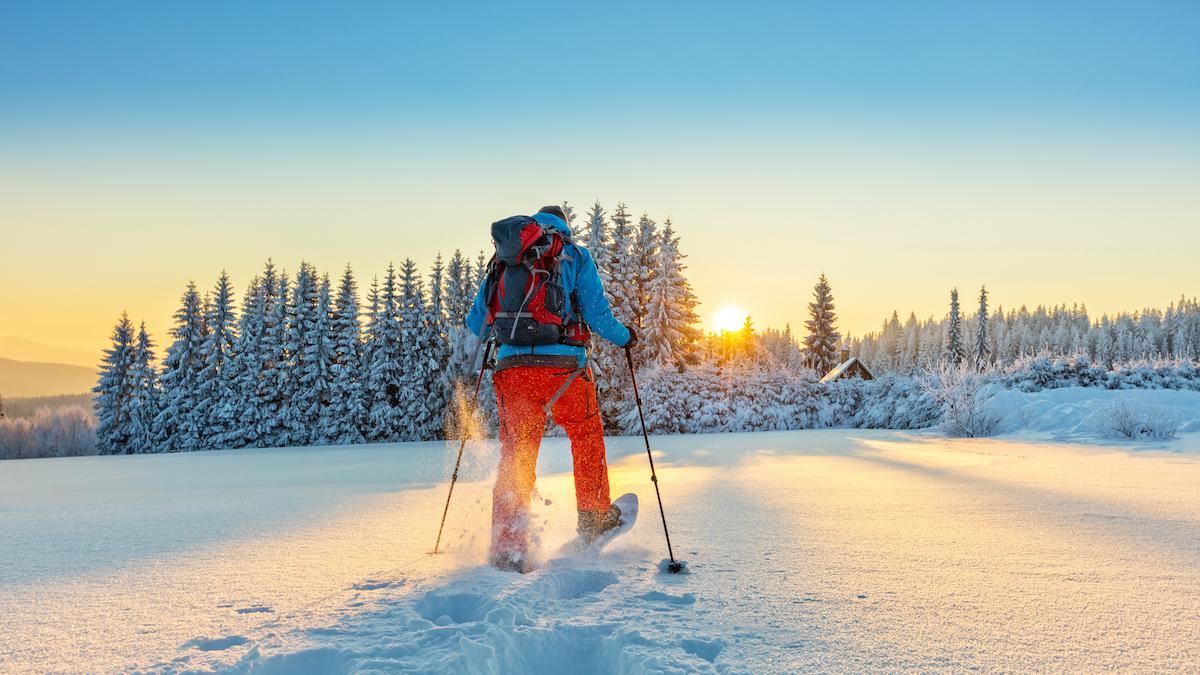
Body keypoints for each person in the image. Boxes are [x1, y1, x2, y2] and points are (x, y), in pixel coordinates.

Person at [466, 204, 635, 572]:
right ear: (565, 226)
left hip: (512, 372)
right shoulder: (573, 254)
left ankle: (508, 547)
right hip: (564, 370)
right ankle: (593, 517)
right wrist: (626, 338)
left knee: (517, 453)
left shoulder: (505, 260)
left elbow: (476, 321)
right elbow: (597, 315)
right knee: (585, 434)